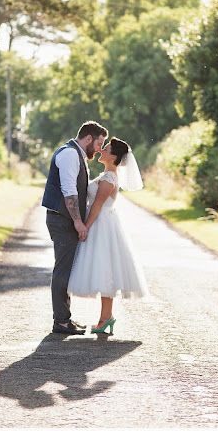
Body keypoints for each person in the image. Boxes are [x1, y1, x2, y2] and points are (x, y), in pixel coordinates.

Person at [67, 137, 148, 334]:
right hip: (102, 223)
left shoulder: (110, 177)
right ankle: (106, 318)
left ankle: (105, 319)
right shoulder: (107, 174)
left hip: (102, 225)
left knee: (105, 270)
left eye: (107, 148)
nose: (102, 149)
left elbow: (97, 205)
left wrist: (84, 226)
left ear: (113, 156)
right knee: (104, 270)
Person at [42, 121, 108, 335]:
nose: (99, 149)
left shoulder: (76, 153)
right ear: (88, 138)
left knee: (67, 269)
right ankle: (60, 322)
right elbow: (69, 190)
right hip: (62, 219)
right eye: (99, 143)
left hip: (64, 219)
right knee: (62, 269)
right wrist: (78, 222)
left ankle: (64, 319)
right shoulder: (70, 154)